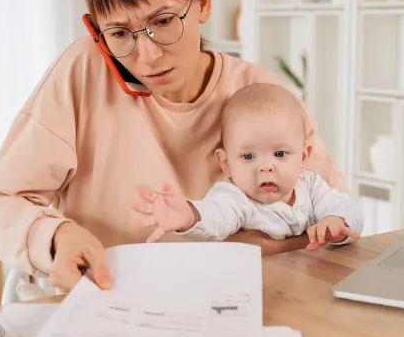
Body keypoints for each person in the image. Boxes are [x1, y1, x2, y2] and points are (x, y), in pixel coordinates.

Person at [0, 0, 348, 292]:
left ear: (201, 1)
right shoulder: (83, 71)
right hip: (110, 298)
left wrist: (266, 247)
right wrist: (57, 236)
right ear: (98, 33)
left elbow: (334, 217)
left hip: (235, 301)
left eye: (164, 21)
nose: (148, 55)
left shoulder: (258, 91)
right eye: (120, 33)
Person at [131, 83, 362, 250]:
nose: (265, 167)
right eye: (249, 156)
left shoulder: (310, 186)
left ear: (303, 158)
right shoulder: (236, 197)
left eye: (279, 154)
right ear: (226, 164)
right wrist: (190, 215)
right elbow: (216, 218)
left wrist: (336, 221)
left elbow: (347, 207)